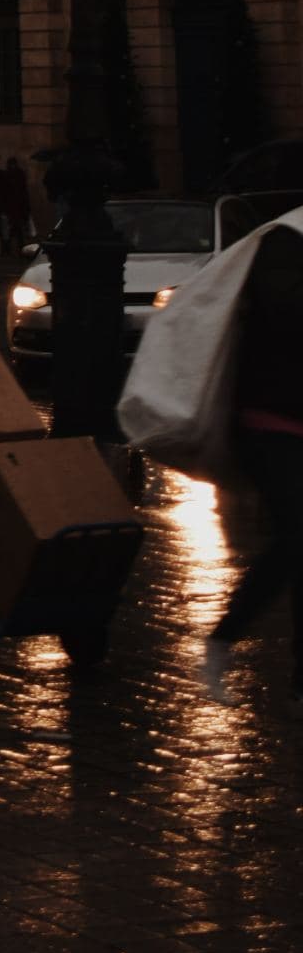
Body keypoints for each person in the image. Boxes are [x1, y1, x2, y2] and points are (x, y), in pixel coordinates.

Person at [199, 219, 303, 714]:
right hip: (270, 423)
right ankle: (224, 637)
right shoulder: (283, 243)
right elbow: (283, 313)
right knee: (295, 537)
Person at [0, 156, 32, 258]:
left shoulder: (10, 176)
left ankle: (9, 249)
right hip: (15, 208)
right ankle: (16, 249)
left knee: (11, 231)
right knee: (15, 230)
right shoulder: (17, 176)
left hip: (13, 208)